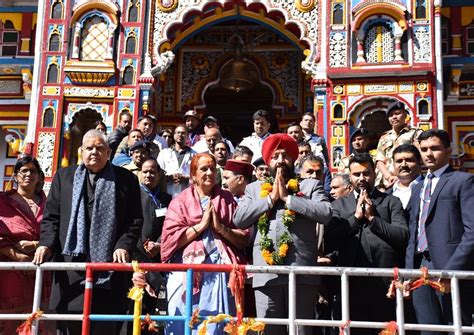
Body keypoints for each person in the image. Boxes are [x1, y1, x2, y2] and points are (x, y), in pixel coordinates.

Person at [33, 129, 143, 335]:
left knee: (106, 324)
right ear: (80, 151)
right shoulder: (64, 177)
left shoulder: (125, 179)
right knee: (70, 325)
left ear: (109, 152)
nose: (94, 152)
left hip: (110, 266)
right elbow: (52, 218)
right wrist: (46, 244)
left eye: (100, 148)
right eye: (89, 148)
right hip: (71, 267)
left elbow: (134, 220)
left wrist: (123, 245)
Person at [234, 133, 332, 335]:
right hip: (266, 275)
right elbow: (239, 219)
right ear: (268, 160)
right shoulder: (254, 189)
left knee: (301, 330)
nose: (280, 161)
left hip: (302, 273)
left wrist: (289, 200)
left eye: (285, 155)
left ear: (294, 159)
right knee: (268, 330)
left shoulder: (310, 185)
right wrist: (270, 199)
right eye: (275, 156)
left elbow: (326, 213)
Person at [160, 153, 249, 335]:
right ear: (193, 175)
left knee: (217, 325)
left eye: (212, 169)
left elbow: (244, 237)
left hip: (220, 273)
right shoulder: (179, 202)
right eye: (203, 169)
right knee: (184, 325)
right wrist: (200, 226)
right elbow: (169, 241)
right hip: (186, 273)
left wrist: (220, 228)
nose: (209, 172)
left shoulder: (228, 200)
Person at [325, 153, 408, 335]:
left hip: (384, 283)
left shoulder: (391, 202)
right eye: (356, 174)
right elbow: (329, 241)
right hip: (349, 283)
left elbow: (402, 236)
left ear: (374, 173)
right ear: (350, 176)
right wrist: (355, 218)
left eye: (366, 173)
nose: (362, 178)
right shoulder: (339, 205)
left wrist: (372, 219)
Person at [405, 129, 474, 334]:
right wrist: (409, 270)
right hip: (420, 266)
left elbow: (472, 231)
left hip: (450, 265)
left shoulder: (462, 181)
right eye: (424, 149)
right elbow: (413, 231)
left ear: (448, 150)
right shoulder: (417, 187)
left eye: (435, 148)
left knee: (456, 327)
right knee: (427, 328)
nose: (429, 154)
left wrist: (451, 270)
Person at [0, 157, 48, 334]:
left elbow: (54, 233)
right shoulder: (3, 202)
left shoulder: (48, 203)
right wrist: (19, 258)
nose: (28, 174)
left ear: (39, 177)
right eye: (23, 171)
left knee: (39, 322)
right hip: (10, 273)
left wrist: (37, 244)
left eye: (33, 171)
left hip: (41, 271)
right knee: (9, 325)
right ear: (15, 176)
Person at [132, 159, 172, 327]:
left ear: (159, 174)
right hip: (137, 254)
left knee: (153, 302)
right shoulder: (133, 195)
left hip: (157, 254)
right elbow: (130, 225)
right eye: (145, 171)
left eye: (153, 172)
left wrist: (159, 244)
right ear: (140, 173)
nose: (149, 175)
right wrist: (143, 245)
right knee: (135, 301)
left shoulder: (166, 198)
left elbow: (171, 225)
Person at [375, 101, 422, 189]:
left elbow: (419, 157)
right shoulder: (384, 137)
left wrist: (400, 177)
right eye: (391, 115)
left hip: (409, 182)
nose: (394, 117)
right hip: (387, 183)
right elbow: (379, 160)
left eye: (397, 114)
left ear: (405, 115)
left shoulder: (416, 133)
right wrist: (389, 176)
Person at [157, 125, 196, 198]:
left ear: (187, 136)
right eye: (178, 132)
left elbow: (198, 176)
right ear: (174, 135)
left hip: (187, 195)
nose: (180, 135)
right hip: (167, 193)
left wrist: (186, 179)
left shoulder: (194, 154)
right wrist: (169, 178)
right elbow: (158, 174)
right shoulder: (164, 153)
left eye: (183, 133)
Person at [388, 144, 423, 209]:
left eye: (409, 160)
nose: (403, 165)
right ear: (393, 165)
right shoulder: (386, 195)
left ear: (419, 162)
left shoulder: (429, 187)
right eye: (399, 161)